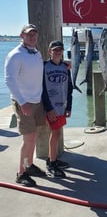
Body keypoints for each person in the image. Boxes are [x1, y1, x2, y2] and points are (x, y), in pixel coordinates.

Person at [4, 24, 47, 186]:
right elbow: (9, 80)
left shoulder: (36, 53)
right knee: (28, 138)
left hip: (37, 101)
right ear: (21, 35)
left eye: (34, 34)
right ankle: (20, 173)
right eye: (29, 35)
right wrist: (23, 103)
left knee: (34, 136)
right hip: (24, 102)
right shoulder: (15, 55)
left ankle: (29, 165)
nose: (32, 37)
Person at [42, 40, 73, 178]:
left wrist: (69, 106)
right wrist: (48, 109)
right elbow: (42, 89)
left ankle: (52, 158)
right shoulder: (44, 67)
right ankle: (51, 164)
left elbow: (69, 88)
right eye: (54, 50)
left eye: (60, 50)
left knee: (57, 133)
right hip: (51, 108)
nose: (57, 52)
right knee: (55, 134)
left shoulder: (66, 67)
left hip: (62, 106)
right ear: (50, 51)